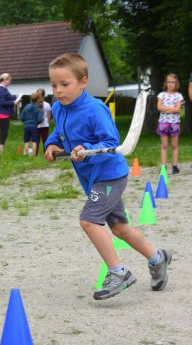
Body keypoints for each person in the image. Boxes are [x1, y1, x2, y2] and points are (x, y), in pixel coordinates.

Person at [44, 52, 171, 301]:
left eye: (65, 84)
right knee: (120, 228)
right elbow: (59, 132)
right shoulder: (59, 108)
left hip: (109, 176)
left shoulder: (95, 109)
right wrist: (51, 144)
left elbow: (110, 142)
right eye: (54, 85)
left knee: (89, 221)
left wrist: (86, 150)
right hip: (93, 178)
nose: (58, 91)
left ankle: (118, 273)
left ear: (83, 82)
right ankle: (158, 258)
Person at [156, 73, 183, 175]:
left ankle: (175, 167)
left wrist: (166, 108)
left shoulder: (178, 96)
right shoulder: (161, 95)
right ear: (166, 83)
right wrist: (172, 108)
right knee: (164, 145)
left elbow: (178, 109)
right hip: (163, 123)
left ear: (176, 83)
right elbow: (159, 107)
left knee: (174, 145)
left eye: (173, 82)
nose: (170, 84)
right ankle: (163, 167)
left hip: (174, 123)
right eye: (169, 82)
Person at [0, 73, 20, 154]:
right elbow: (2, 102)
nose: (10, 82)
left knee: (4, 133)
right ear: (5, 80)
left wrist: (15, 97)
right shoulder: (1, 90)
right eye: (9, 80)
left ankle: (2, 152)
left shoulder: (3, 89)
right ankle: (1, 153)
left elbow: (7, 98)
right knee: (3, 133)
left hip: (3, 114)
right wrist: (14, 102)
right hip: (2, 115)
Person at [20, 92, 43, 156]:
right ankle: (33, 155)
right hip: (34, 127)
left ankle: (26, 154)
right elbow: (40, 119)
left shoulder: (26, 107)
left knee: (26, 141)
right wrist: (37, 123)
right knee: (34, 141)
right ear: (37, 99)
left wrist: (25, 122)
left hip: (26, 126)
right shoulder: (38, 109)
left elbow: (21, 117)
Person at [35, 88, 52, 154]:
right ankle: (45, 153)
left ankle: (36, 153)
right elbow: (49, 115)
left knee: (37, 141)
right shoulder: (47, 104)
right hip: (44, 125)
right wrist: (48, 123)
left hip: (39, 125)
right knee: (44, 140)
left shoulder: (35, 104)